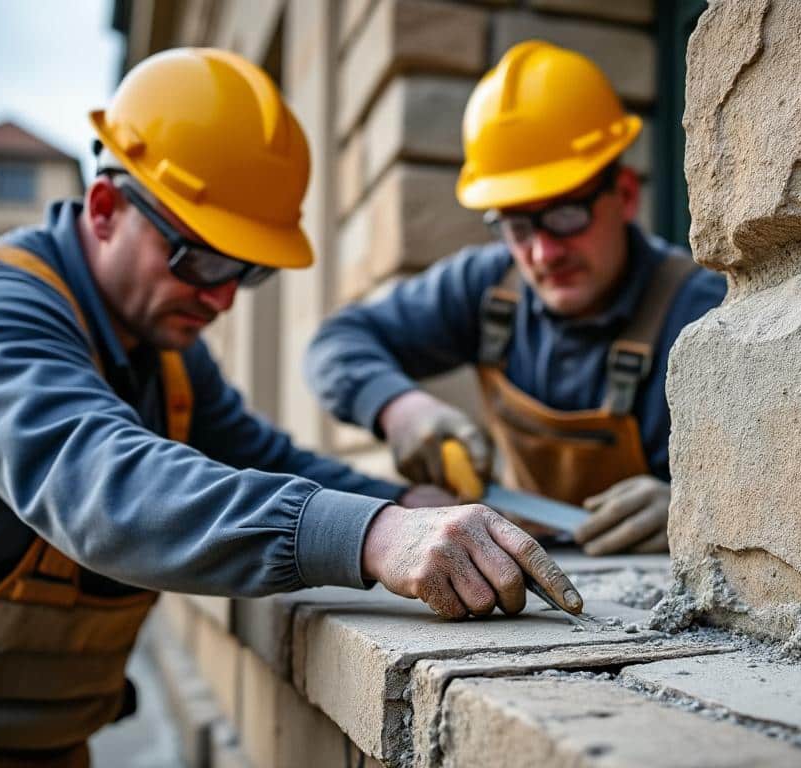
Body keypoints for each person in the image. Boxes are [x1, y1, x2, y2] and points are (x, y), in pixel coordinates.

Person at [0, 48, 580, 764]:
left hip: (52, 746)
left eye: (247, 270)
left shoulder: (164, 351)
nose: (219, 297)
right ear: (104, 208)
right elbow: (106, 489)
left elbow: (263, 459)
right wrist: (374, 535)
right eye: (201, 260)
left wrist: (414, 504)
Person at [306, 41, 726, 557]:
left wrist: (695, 507)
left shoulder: (702, 314)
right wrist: (400, 410)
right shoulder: (484, 287)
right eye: (519, 225)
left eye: (567, 214)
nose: (544, 252)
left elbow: (771, 478)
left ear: (624, 195)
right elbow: (336, 342)